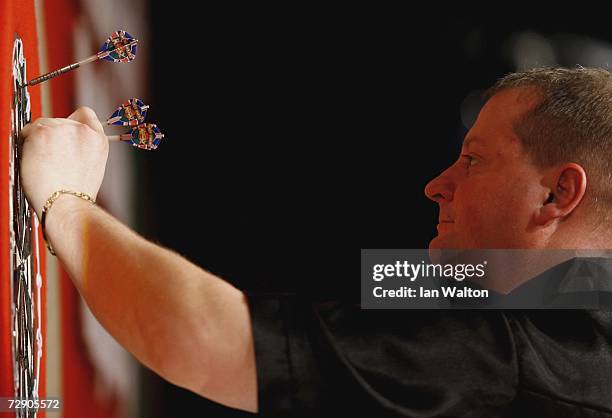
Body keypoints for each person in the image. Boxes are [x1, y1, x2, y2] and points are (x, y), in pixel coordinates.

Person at [20, 67, 612, 417]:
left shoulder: (506, 351)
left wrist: (66, 201)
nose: (437, 186)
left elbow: (203, 341)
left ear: (557, 194)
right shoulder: (561, 293)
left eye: (473, 161)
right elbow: (364, 296)